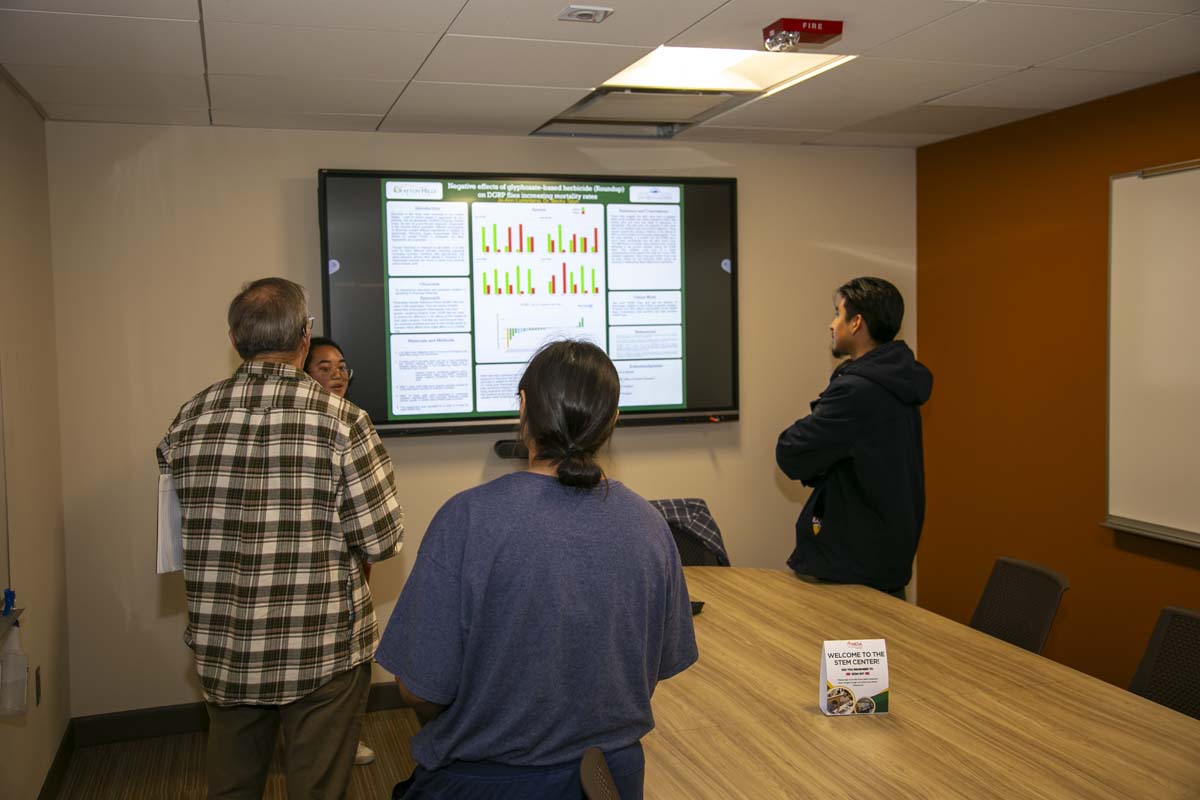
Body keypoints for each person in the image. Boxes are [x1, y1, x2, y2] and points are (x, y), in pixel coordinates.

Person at [376, 340, 698, 799]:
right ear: (613, 421)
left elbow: (418, 688)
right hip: (610, 781)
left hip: (485, 781)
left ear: (523, 408)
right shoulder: (649, 525)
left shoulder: (468, 518)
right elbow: (657, 669)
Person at [157, 277, 404, 799]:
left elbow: (176, 535)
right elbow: (381, 540)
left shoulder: (186, 421)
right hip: (324, 649)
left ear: (233, 338)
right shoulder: (345, 422)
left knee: (232, 787)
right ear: (304, 336)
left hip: (226, 645)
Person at [775, 277, 932, 599]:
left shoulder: (857, 391)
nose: (831, 324)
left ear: (857, 322)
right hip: (883, 560)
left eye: (837, 314)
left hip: (851, 573)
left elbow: (791, 451)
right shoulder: (898, 381)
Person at [302, 335, 376, 768]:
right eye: (323, 367)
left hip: (347, 564)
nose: (336, 375)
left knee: (347, 667)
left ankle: (346, 741)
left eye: (341, 366)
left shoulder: (354, 422)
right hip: (310, 573)